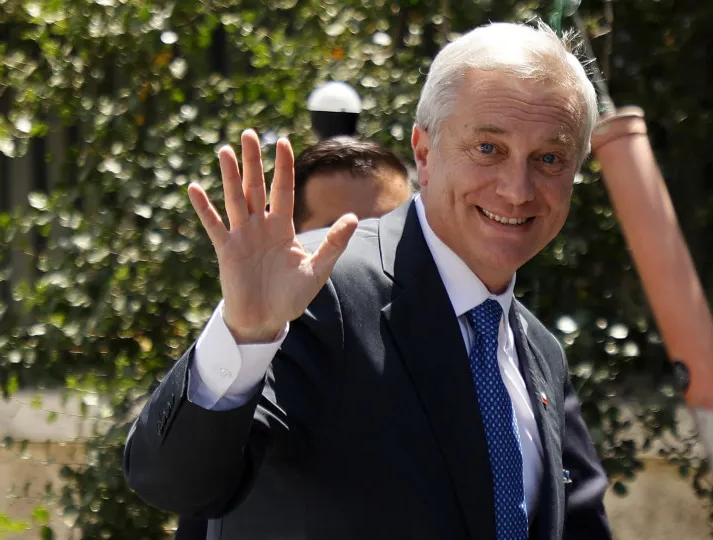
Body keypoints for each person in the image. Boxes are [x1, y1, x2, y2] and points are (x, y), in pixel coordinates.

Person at [125, 20, 612, 540]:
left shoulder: (539, 351)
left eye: (549, 158)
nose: (517, 190)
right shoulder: (321, 291)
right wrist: (244, 336)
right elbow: (177, 484)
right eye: (488, 149)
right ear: (424, 153)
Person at [172, 136, 412, 540]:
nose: (363, 251)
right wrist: (246, 338)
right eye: (336, 232)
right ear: (290, 237)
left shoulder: (472, 339)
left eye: (383, 231)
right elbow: (195, 484)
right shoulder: (262, 357)